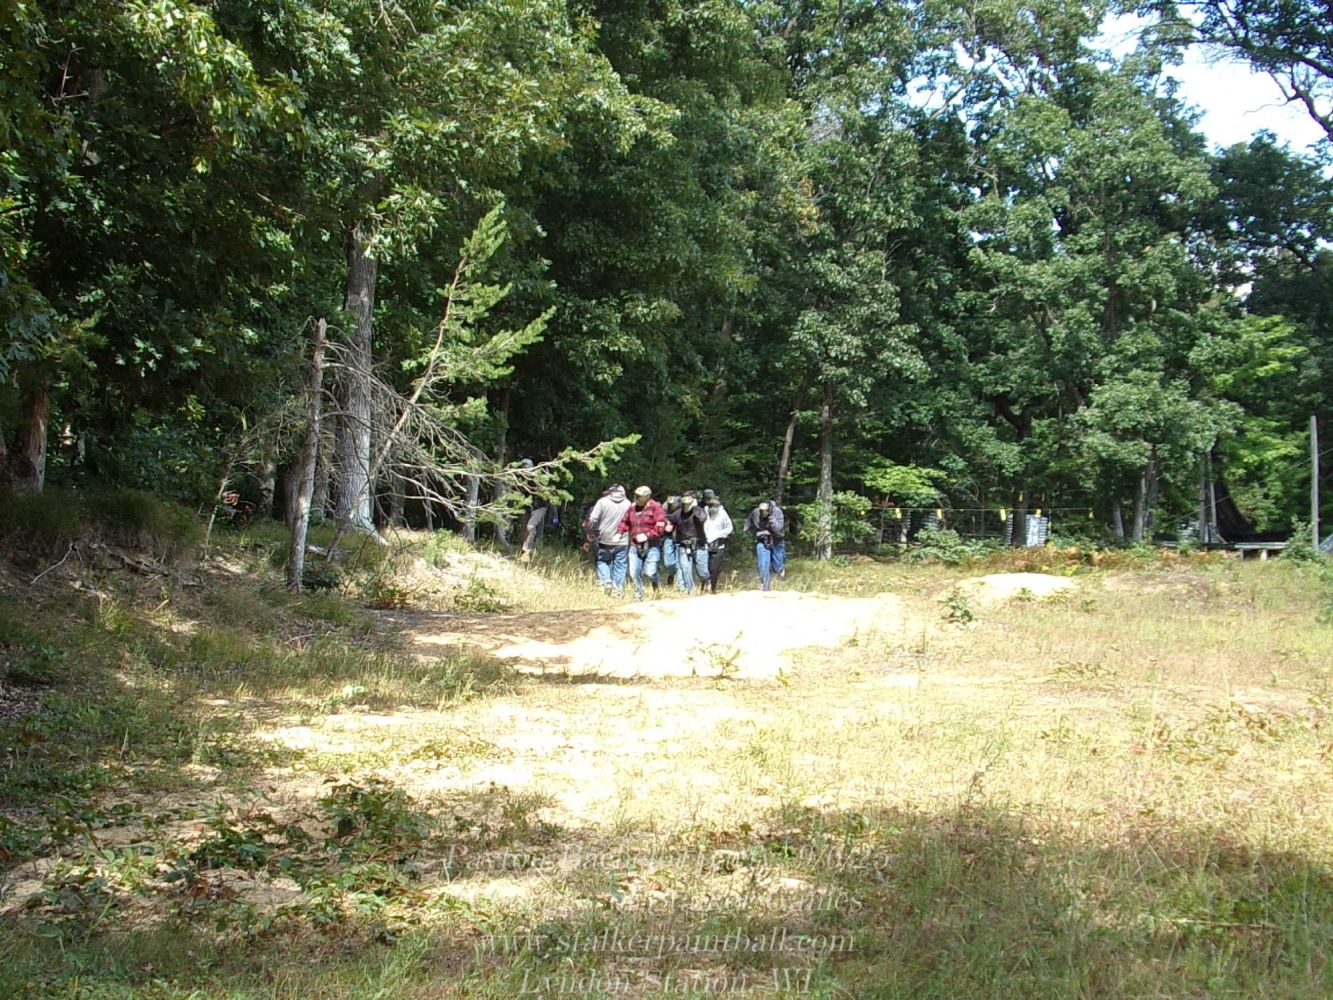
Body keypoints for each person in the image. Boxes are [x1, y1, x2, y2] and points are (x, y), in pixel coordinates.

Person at [618, 485, 668, 600]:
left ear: (647, 497)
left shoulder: (656, 507)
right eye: (636, 495)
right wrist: (619, 532)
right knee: (634, 572)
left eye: (639, 496)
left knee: (650, 572)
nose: (636, 498)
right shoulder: (632, 508)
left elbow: (660, 526)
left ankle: (656, 584)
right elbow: (625, 522)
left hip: (652, 546)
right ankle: (639, 594)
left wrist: (647, 535)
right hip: (635, 546)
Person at [586, 484, 631, 596]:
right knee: (620, 565)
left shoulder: (602, 502)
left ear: (610, 491)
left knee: (602, 561)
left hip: (604, 539)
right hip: (622, 540)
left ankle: (606, 581)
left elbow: (593, 519)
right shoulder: (628, 503)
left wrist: (590, 532)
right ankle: (618, 590)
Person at [667, 491, 709, 594]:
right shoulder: (678, 513)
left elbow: (702, 519)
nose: (686, 506)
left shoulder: (699, 511)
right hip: (683, 545)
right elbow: (668, 517)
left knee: (702, 572)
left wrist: (695, 508)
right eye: (684, 503)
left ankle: (706, 580)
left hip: (699, 545)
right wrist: (666, 524)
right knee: (685, 569)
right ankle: (691, 590)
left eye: (688, 503)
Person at [744, 499, 786, 591]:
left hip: (777, 540)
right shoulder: (755, 512)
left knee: (777, 565)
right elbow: (748, 520)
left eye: (766, 511)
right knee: (763, 563)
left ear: (769, 510)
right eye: (762, 511)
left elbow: (778, 529)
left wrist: (771, 519)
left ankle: (779, 569)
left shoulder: (777, 512)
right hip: (762, 540)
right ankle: (765, 586)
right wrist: (745, 529)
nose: (763, 512)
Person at [702, 494, 733, 594]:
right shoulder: (704, 513)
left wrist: (720, 534)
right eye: (711, 505)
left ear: (718, 506)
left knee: (714, 568)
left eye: (715, 506)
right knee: (704, 568)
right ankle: (703, 587)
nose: (713, 508)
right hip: (705, 544)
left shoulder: (723, 514)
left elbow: (729, 528)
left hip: (718, 544)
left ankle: (712, 588)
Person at [661, 495, 681, 587]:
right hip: (668, 537)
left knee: (679, 563)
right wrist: (666, 525)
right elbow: (660, 518)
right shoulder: (664, 508)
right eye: (670, 505)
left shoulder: (683, 508)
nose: (671, 506)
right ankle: (671, 574)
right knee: (668, 563)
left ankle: (680, 586)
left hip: (680, 537)